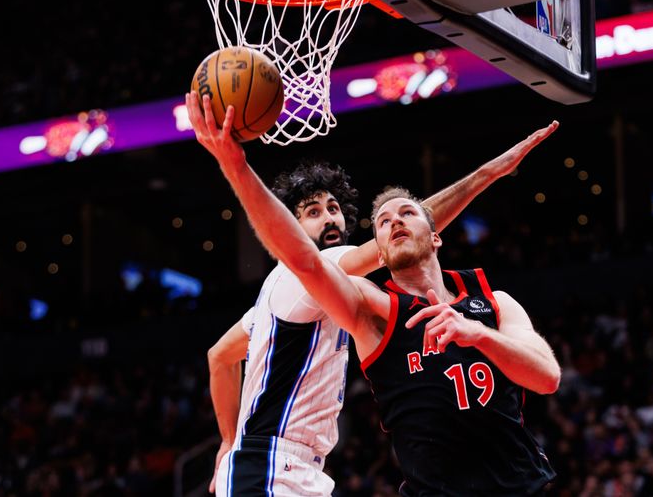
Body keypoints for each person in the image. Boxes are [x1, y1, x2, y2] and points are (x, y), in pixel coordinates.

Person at [187, 91, 560, 496]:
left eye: (334, 208)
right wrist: (236, 166)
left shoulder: (283, 301)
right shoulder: (306, 275)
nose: (329, 217)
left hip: (301, 468)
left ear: (436, 238)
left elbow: (219, 356)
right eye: (312, 213)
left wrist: (228, 440)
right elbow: (307, 260)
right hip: (273, 464)